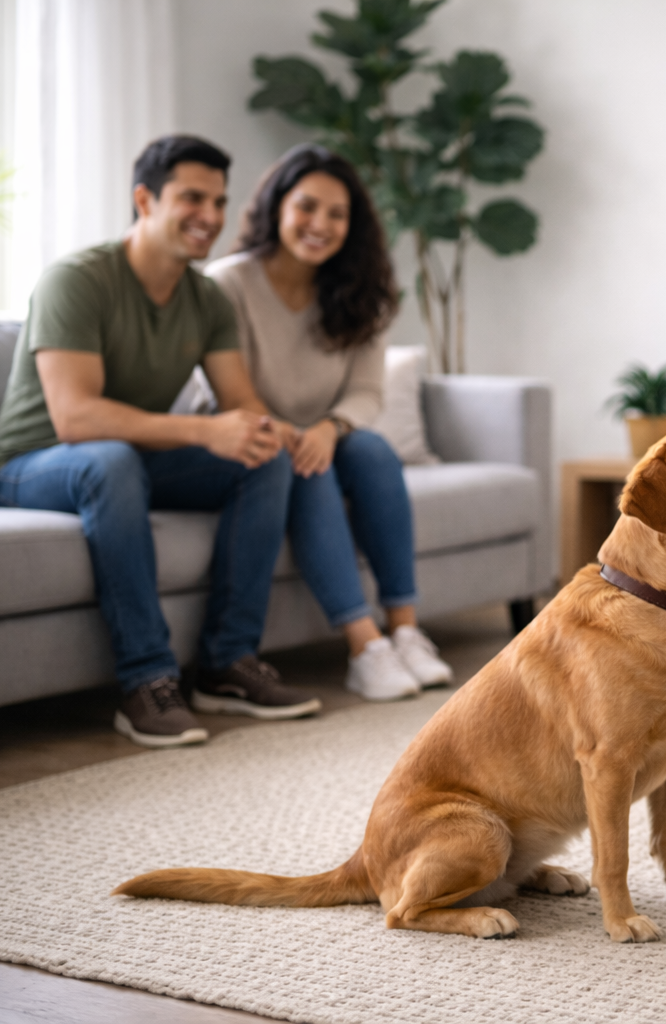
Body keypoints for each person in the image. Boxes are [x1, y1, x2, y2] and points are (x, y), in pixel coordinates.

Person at [0, 135, 322, 748]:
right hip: (26, 469)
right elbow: (76, 419)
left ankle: (227, 664)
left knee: (259, 462)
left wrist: (293, 432)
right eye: (192, 197)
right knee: (109, 462)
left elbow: (242, 407)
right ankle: (147, 682)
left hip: (126, 462)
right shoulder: (76, 280)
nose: (210, 216)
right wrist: (204, 430)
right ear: (144, 198)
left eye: (218, 201)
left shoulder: (205, 298)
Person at [207, 144, 452, 701]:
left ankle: (406, 631)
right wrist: (300, 437)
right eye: (306, 207)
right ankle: (364, 646)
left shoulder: (359, 293)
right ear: (276, 208)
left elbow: (367, 391)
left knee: (371, 451)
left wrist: (327, 429)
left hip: (321, 435)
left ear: (353, 225)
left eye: (336, 214)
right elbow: (225, 392)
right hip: (252, 440)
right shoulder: (228, 284)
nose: (320, 224)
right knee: (306, 465)